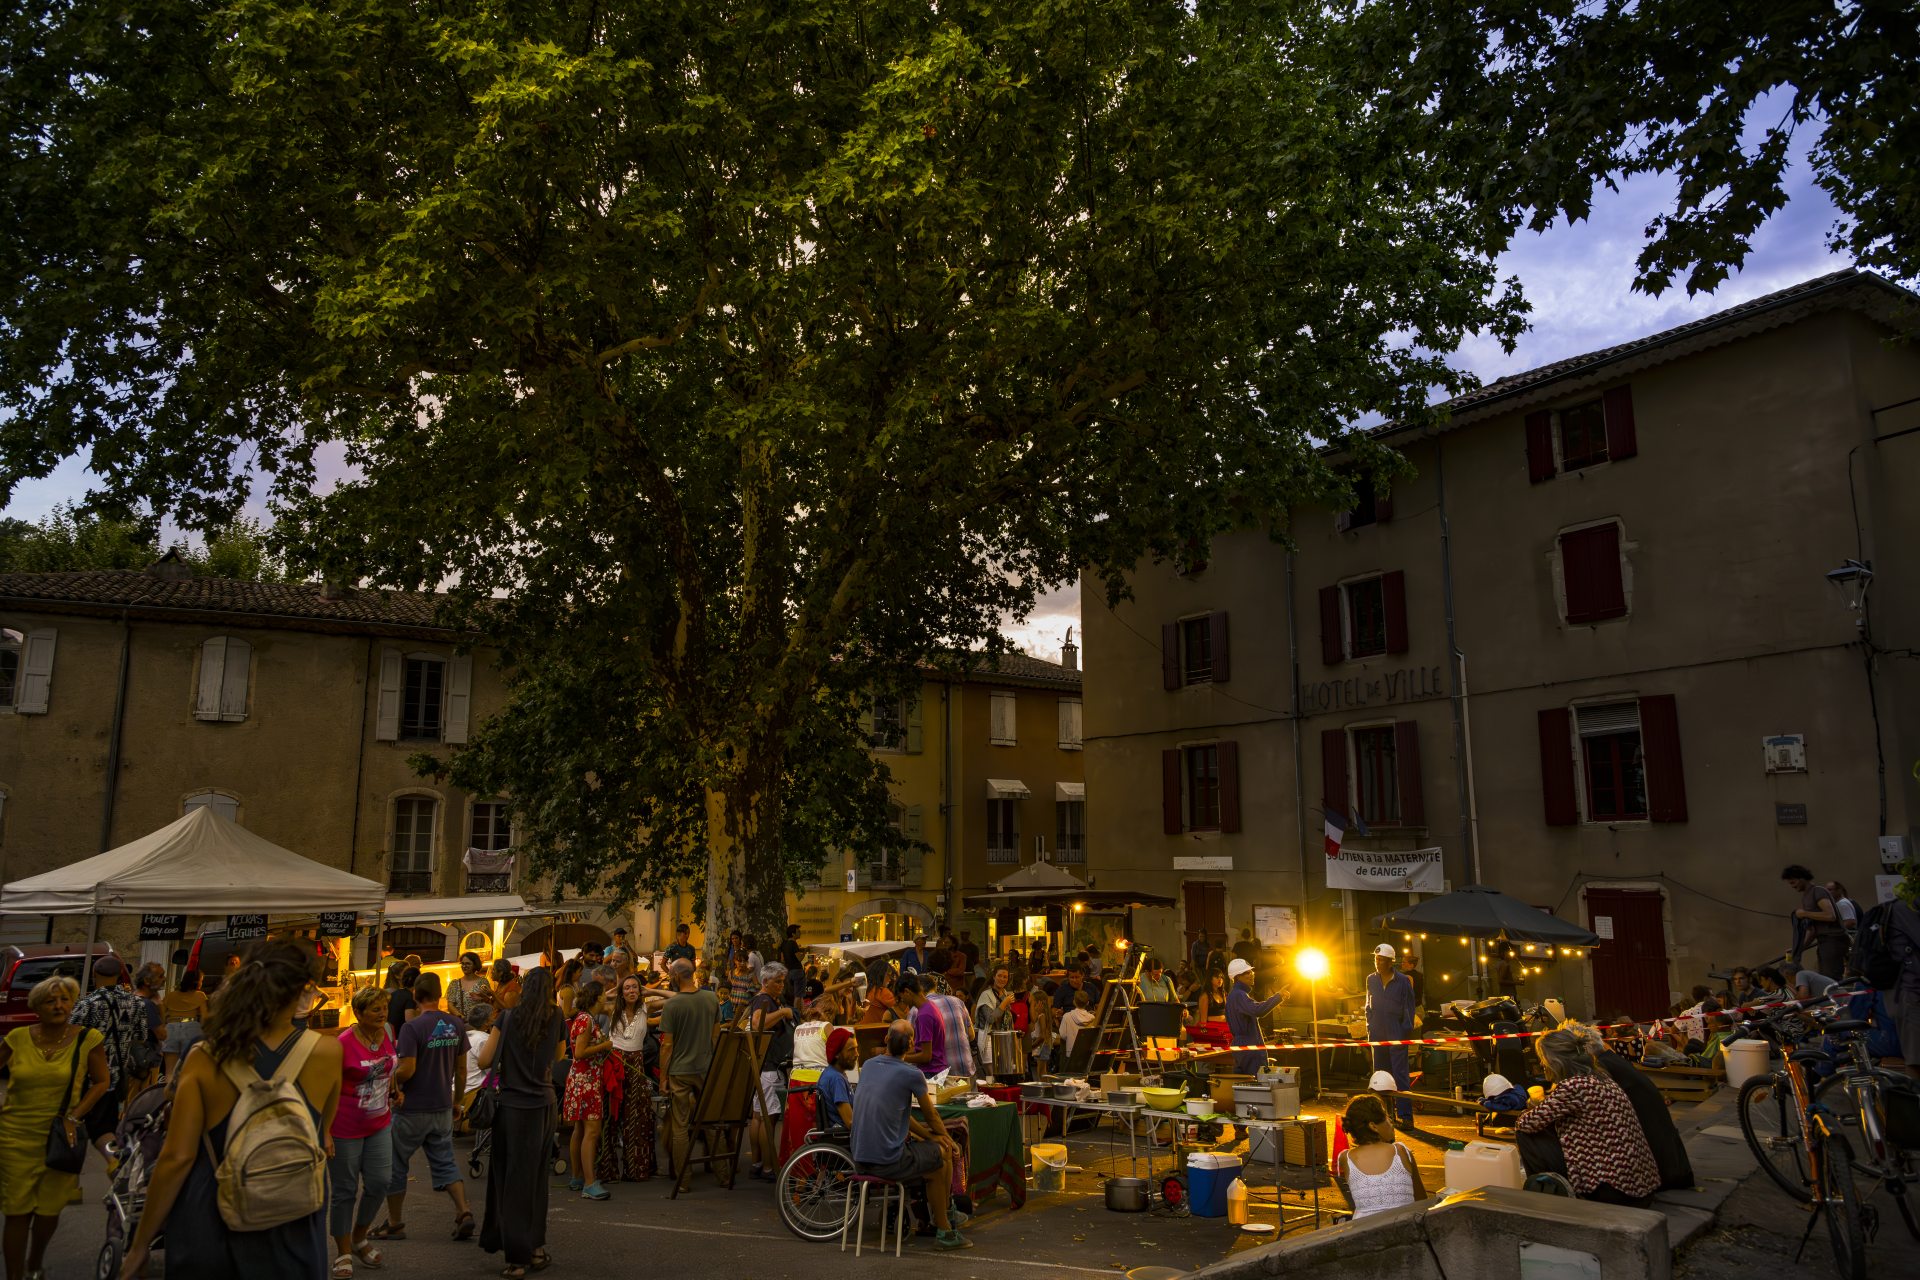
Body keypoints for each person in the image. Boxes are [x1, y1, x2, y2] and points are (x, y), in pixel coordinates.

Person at [121, 940, 343, 1280]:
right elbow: (321, 1128)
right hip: (293, 1215)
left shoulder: (205, 1056)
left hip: (211, 1213)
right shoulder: (328, 1052)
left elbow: (176, 1157)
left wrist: (140, 1245)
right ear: (303, 991)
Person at [1, 975, 110, 1280]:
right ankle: (14, 1276)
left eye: (64, 999)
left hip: (62, 1136)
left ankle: (34, 1264)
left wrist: (75, 1115)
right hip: (14, 1135)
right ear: (36, 1007)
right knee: (17, 1210)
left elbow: (102, 1082)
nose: (59, 1005)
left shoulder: (88, 1038)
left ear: (73, 1003)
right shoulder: (18, 1038)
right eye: (50, 1001)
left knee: (48, 1210)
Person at [849, 1020, 971, 1250]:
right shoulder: (911, 1073)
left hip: (859, 1157)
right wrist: (944, 1137)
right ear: (912, 1045)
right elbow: (932, 1116)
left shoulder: (869, 1065)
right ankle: (944, 1227)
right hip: (887, 1161)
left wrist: (929, 1136)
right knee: (941, 1158)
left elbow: (904, 1116)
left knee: (937, 1151)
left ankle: (943, 1214)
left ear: (886, 1039)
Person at [476, 966, 562, 1278]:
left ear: (524, 989)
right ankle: (536, 1247)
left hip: (513, 1107)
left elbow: (484, 1060)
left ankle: (517, 1257)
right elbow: (558, 1057)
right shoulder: (556, 1018)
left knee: (512, 1182)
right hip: (544, 1105)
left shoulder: (508, 1017)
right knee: (537, 1181)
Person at [1514, 1025, 1660, 1206]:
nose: (1542, 1065)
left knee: (1525, 1132)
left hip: (1613, 1189)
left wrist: (1533, 1108)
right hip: (1639, 1186)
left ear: (1554, 1061)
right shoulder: (1601, 1077)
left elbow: (1526, 1123)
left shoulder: (1574, 1086)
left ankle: (1548, 1192)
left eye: (1543, 1060)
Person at [378, 972, 472, 1242]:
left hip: (411, 1109)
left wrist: (391, 1080)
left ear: (416, 997)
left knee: (396, 1165)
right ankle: (464, 1211)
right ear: (440, 994)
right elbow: (462, 1070)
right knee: (445, 1162)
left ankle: (394, 1222)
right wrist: (458, 1101)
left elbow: (408, 1069)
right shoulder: (455, 1024)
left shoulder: (413, 1028)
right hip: (442, 1105)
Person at [331, 985, 398, 1275]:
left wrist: (395, 1090)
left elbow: (389, 1066)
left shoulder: (389, 1033)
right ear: (358, 1013)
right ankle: (343, 1251)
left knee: (381, 1182)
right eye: (375, 1009)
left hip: (379, 1122)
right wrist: (323, 1132)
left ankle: (360, 1236)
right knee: (345, 1190)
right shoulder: (343, 1042)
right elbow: (330, 1087)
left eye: (384, 1007)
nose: (382, 1013)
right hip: (345, 1126)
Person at [68, 955, 151, 1154]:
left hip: (86, 1078)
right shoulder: (136, 1003)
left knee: (75, 1125)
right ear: (120, 975)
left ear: (94, 974)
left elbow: (69, 1037)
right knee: (105, 1128)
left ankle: (106, 1161)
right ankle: (116, 1161)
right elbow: (141, 1035)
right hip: (117, 1075)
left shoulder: (87, 1004)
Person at [659, 958, 726, 1192]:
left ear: (677, 976)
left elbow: (667, 1046)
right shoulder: (711, 998)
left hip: (679, 1070)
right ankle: (723, 1175)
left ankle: (683, 1180)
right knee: (710, 1122)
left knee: (680, 1126)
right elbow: (716, 1037)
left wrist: (662, 1078)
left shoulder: (672, 1005)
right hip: (705, 1067)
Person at [1333, 1093, 1427, 1219]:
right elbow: (1422, 1200)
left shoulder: (1346, 1158)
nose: (1391, 1124)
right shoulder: (1401, 1151)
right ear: (1373, 1126)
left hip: (1364, 1234)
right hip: (1405, 1231)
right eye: (1387, 1118)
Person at [601, 975, 656, 1182]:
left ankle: (635, 1169)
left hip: (636, 1063)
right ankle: (608, 1170)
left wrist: (651, 992)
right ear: (621, 993)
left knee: (636, 1117)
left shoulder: (645, 1009)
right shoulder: (612, 1009)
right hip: (615, 1062)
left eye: (635, 987)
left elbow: (675, 998)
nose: (632, 991)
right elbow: (585, 1003)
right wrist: (613, 990)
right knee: (611, 1115)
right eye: (627, 988)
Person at [562, 979, 613, 1199]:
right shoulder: (586, 1020)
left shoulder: (584, 1018)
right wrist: (606, 1044)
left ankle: (577, 1177)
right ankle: (590, 1184)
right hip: (586, 1080)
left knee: (580, 1130)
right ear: (596, 997)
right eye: (603, 995)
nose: (605, 999)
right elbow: (580, 1052)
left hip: (581, 1079)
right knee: (591, 1131)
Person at [747, 965, 795, 1181]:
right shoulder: (763, 1000)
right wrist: (783, 1012)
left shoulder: (765, 999)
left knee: (758, 1117)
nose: (781, 986)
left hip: (765, 1066)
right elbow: (758, 1023)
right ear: (765, 982)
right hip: (770, 1068)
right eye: (778, 982)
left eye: (783, 981)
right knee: (768, 1119)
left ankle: (757, 1162)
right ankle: (768, 1166)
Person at [1365, 944, 1417, 1128]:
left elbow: (1409, 1009)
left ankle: (1406, 1116)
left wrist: (1404, 1032)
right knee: (1380, 1076)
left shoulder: (1403, 981)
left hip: (1397, 1033)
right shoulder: (1371, 980)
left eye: (1381, 960)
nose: (1377, 962)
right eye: (1376, 959)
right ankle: (1384, 1116)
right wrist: (1370, 1026)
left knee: (1400, 1075)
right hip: (1378, 1034)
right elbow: (1368, 1006)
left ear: (1389, 962)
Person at [1226, 957, 1291, 1077]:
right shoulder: (1239, 995)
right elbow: (1258, 1010)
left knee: (1242, 1086)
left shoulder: (1235, 995)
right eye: (1247, 972)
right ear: (1237, 977)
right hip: (1249, 1046)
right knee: (1256, 1086)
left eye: (1251, 971)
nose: (1251, 974)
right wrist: (1278, 996)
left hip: (1242, 1045)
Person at [903, 973, 976, 1078]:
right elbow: (971, 1035)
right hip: (966, 1068)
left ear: (919, 989)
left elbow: (910, 1045)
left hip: (940, 1075)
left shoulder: (917, 1010)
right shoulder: (958, 1002)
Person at [1783, 864, 1847, 981]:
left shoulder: (1817, 891)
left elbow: (1830, 915)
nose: (1792, 886)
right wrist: (1798, 948)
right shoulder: (1806, 896)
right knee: (1826, 978)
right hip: (1823, 941)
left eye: (1793, 882)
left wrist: (1804, 914)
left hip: (1833, 939)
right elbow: (1812, 930)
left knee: (1832, 979)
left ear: (1801, 878)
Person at [161, 967, 210, 1076]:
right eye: (201, 980)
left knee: (169, 1071)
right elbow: (205, 1017)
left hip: (171, 1028)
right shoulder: (200, 995)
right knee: (188, 1070)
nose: (201, 983)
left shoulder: (171, 995)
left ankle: (168, 1090)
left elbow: (162, 1015)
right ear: (196, 982)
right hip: (192, 1028)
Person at [814, 1027, 858, 1133]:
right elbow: (851, 1123)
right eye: (851, 1050)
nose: (857, 1054)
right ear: (837, 1054)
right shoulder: (836, 1079)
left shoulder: (830, 1073)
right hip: (843, 1137)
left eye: (856, 1048)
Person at [973, 965, 1013, 1066]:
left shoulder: (1005, 994)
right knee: (991, 1074)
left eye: (1005, 977)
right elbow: (990, 1018)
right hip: (989, 1039)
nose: (1002, 979)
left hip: (1003, 1038)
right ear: (994, 977)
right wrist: (1004, 1003)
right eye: (999, 976)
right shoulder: (986, 995)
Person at [448, 952, 492, 1022]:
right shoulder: (454, 983)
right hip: (459, 1023)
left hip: (478, 1024)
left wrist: (483, 997)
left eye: (468, 963)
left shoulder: (483, 982)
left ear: (475, 965)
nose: (464, 966)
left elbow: (488, 1003)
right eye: (462, 963)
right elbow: (450, 1005)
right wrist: (461, 1017)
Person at [1060, 991, 1097, 1057]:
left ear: (1074, 1002)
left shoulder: (1067, 1016)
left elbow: (1063, 1035)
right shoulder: (1092, 1018)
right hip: (1086, 1051)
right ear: (1088, 1003)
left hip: (1071, 1050)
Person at [385, 966, 420, 1032]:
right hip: (400, 1035)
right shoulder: (410, 997)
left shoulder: (395, 993)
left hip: (389, 1033)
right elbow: (410, 1020)